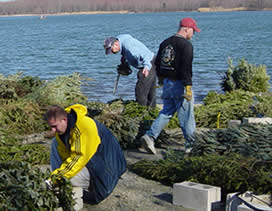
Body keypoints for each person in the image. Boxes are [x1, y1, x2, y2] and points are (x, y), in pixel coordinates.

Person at [43, 104, 127, 204]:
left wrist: (56, 179)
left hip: (106, 168)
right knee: (55, 144)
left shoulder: (84, 127)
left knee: (68, 180)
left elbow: (78, 158)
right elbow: (65, 156)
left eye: (54, 126)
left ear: (64, 120)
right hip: (90, 161)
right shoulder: (63, 131)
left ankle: (87, 187)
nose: (53, 130)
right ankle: (58, 184)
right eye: (51, 127)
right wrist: (58, 176)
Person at [140, 17, 200, 154]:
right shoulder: (186, 45)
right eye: (193, 31)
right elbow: (186, 68)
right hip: (180, 84)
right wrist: (188, 87)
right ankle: (191, 144)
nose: (193, 34)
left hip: (167, 83)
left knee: (166, 112)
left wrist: (161, 80)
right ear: (186, 29)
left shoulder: (165, 43)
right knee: (187, 115)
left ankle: (149, 136)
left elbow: (158, 64)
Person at [104, 34, 157, 108]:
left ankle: (141, 110)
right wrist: (125, 62)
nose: (112, 52)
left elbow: (145, 56)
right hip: (152, 61)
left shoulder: (129, 48)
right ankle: (152, 110)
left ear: (115, 44)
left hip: (148, 63)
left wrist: (147, 67)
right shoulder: (120, 40)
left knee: (140, 91)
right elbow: (127, 37)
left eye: (111, 50)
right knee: (150, 91)